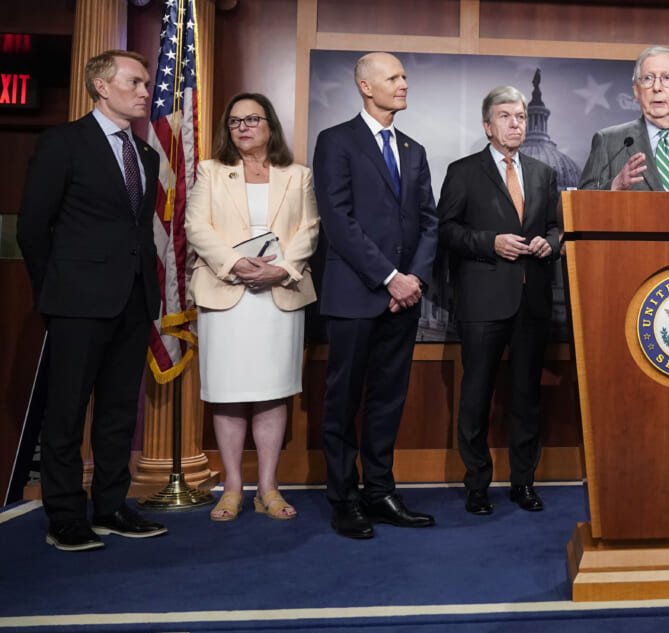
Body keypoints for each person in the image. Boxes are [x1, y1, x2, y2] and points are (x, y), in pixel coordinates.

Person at [17, 50, 167, 551]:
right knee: (66, 413)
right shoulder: (64, 143)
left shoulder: (145, 154)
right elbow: (33, 227)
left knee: (119, 412)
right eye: (136, 81)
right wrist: (55, 292)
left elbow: (138, 231)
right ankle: (65, 515)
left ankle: (110, 507)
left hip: (134, 299)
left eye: (148, 82)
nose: (146, 90)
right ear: (102, 86)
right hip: (77, 302)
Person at [313, 52, 438, 540]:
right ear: (366, 86)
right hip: (356, 294)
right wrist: (389, 277)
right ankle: (344, 499)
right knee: (343, 401)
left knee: (388, 399)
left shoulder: (413, 147)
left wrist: (414, 280)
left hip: (404, 299)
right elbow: (339, 221)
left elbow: (429, 220)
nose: (404, 83)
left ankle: (379, 491)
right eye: (394, 77)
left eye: (405, 76)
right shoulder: (336, 141)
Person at [186, 93, 320, 522]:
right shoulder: (210, 171)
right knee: (227, 394)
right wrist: (236, 262)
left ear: (269, 126)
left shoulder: (298, 175)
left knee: (271, 391)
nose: (242, 127)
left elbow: (309, 229)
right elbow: (196, 227)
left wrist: (281, 269)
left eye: (252, 119)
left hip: (279, 296)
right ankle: (231, 488)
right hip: (226, 293)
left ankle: (268, 487)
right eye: (234, 121)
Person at [438, 86, 561, 516]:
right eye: (506, 116)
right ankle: (477, 485)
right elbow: (446, 231)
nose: (516, 123)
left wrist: (551, 242)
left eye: (522, 116)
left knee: (527, 398)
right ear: (488, 125)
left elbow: (556, 227)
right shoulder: (464, 172)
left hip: (532, 301)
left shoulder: (544, 174)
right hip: (482, 301)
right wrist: (490, 243)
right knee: (476, 396)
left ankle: (524, 482)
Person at [578, 45, 669, 192]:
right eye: (648, 78)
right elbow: (581, 203)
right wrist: (614, 186)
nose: (657, 87)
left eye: (667, 78)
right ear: (636, 89)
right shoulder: (609, 141)